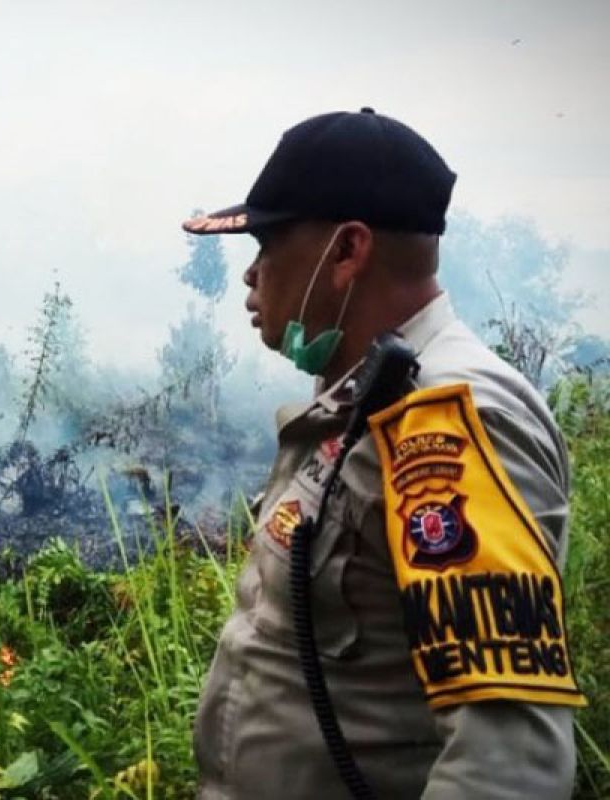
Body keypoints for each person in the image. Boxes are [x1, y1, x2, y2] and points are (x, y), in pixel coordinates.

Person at [182, 108, 585, 799]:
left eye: (269, 243)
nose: (252, 275)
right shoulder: (366, 395)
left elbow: (508, 767)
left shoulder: (450, 419)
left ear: (347, 252)